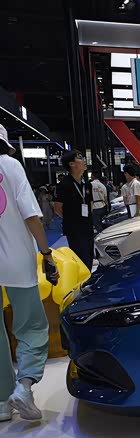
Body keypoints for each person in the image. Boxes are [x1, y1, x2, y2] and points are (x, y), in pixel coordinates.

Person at [0, 124, 58, 422]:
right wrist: (47, 253)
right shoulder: (10, 166)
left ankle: (1, 402)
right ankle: (24, 388)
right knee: (32, 326)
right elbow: (31, 215)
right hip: (16, 261)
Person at [54, 151, 94, 270]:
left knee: (89, 256)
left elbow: (90, 204)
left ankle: (88, 278)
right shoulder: (64, 185)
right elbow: (57, 208)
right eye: (79, 158)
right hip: (74, 229)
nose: (84, 160)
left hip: (87, 226)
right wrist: (71, 219)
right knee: (80, 257)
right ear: (72, 164)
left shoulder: (87, 184)